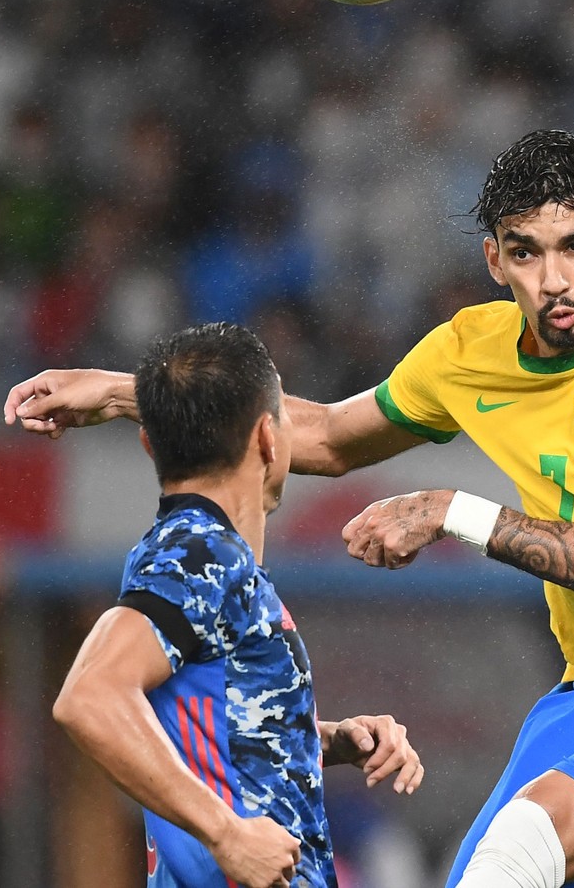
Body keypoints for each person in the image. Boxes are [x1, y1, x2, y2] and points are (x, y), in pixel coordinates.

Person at [9, 130, 574, 888]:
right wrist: (125, 391)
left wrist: (451, 510)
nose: (557, 278)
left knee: (517, 850)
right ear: (495, 260)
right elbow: (322, 436)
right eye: (528, 253)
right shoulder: (469, 352)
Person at [51, 323, 424, 888]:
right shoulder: (197, 553)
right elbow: (89, 694)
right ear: (270, 440)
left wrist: (324, 738)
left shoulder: (206, 555)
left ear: (149, 443)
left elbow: (220, 730)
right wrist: (227, 834)